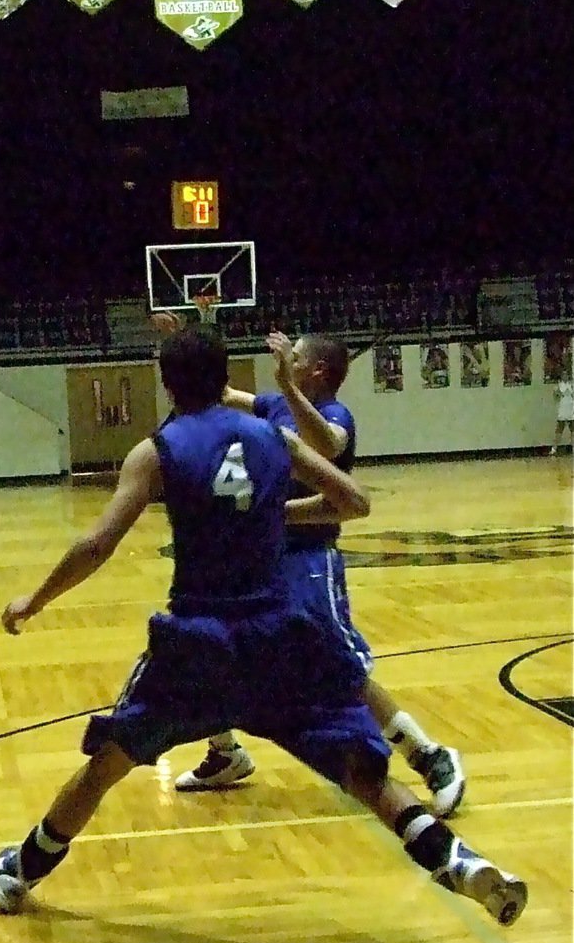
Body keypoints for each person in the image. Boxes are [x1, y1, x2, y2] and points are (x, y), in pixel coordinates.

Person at [0, 325, 527, 928]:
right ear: (227, 380)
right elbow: (353, 502)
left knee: (109, 762)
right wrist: (277, 511)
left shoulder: (156, 449)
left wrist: (34, 599)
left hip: (198, 640)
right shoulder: (273, 435)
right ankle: (452, 856)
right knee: (362, 773)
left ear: (166, 384)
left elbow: (97, 544)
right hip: (280, 635)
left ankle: (21, 869)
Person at [169, 328, 465, 819]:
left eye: (296, 357)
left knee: (339, 665)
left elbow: (326, 449)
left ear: (315, 371)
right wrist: (188, 336)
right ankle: (225, 752)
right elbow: (213, 388)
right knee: (209, 645)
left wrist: (272, 507)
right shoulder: (270, 404)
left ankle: (428, 754)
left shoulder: (331, 414)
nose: (286, 359)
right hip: (263, 561)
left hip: (310, 558)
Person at [551, 374, 573, 455]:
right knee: (558, 432)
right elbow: (556, 398)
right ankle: (554, 449)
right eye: (563, 375)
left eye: (566, 375)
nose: (565, 377)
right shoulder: (558, 386)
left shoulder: (571, 385)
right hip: (562, 413)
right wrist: (557, 392)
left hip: (571, 412)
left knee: (573, 432)